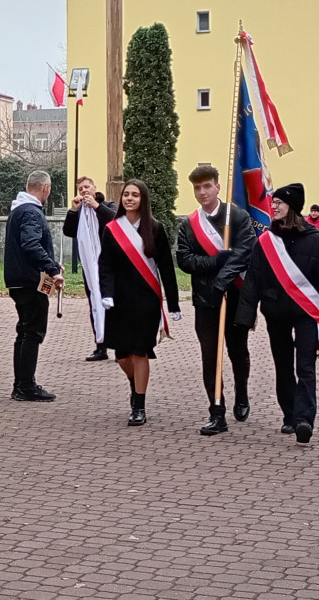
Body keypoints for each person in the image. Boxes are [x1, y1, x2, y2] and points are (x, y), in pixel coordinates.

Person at [236, 183, 319, 444]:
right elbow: (253, 279)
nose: (273, 206)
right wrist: (245, 317)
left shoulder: (317, 243)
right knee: (283, 365)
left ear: (293, 207)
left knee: (305, 366)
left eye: (279, 202)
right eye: (272, 202)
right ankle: (289, 415)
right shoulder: (266, 242)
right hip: (275, 311)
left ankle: (304, 419)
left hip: (305, 312)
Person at [175, 164, 257, 436]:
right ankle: (216, 412)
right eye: (197, 188)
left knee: (238, 351)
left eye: (207, 186)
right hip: (205, 299)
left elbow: (244, 252)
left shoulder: (238, 216)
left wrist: (221, 281)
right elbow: (184, 260)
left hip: (235, 295)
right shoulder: (189, 224)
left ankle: (241, 393)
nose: (202, 192)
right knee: (210, 356)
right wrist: (213, 261)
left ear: (218, 187)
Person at [98, 179, 181, 426]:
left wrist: (174, 303)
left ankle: (139, 405)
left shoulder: (155, 228)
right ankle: (136, 386)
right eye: (126, 194)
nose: (130, 198)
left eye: (135, 195)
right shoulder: (112, 228)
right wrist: (106, 292)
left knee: (140, 351)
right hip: (119, 300)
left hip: (146, 300)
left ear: (143, 199)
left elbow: (167, 268)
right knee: (122, 356)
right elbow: (106, 265)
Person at [3, 170, 64, 402]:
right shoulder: (31, 212)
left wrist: (51, 263)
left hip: (18, 278)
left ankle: (21, 383)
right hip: (30, 281)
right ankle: (25, 385)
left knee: (25, 331)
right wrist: (52, 270)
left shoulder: (19, 209)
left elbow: (27, 246)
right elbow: (30, 244)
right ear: (46, 188)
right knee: (33, 332)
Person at [63, 175, 116, 361]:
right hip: (90, 264)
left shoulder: (108, 206)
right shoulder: (80, 211)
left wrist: (96, 206)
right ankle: (100, 345)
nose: (84, 191)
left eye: (87, 187)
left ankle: (119, 345)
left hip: (110, 264)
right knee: (94, 301)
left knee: (113, 303)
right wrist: (72, 211)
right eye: (80, 189)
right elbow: (68, 231)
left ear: (95, 187)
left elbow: (116, 221)